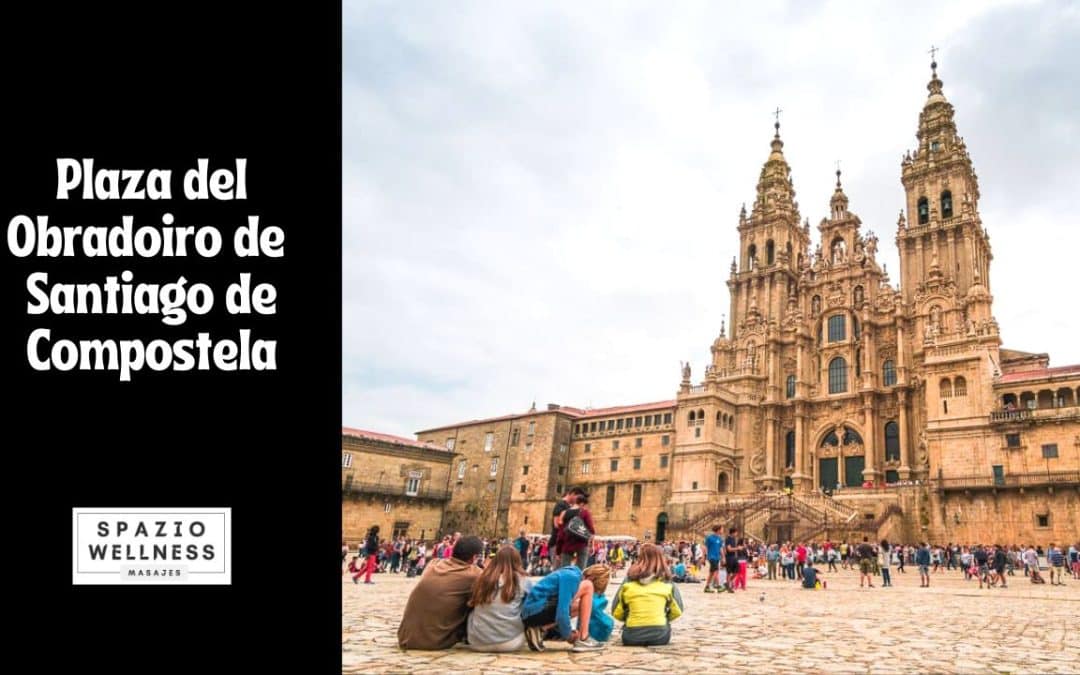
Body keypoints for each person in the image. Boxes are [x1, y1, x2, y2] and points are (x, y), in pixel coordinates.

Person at [397, 535, 484, 650]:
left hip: (405, 637)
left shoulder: (433, 564)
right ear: (474, 557)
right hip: (434, 640)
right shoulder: (474, 574)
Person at [520, 550, 599, 652]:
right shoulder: (572, 577)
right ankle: (584, 638)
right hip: (533, 612)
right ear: (592, 578)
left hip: (532, 612)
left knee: (578, 606)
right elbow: (562, 612)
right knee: (587, 586)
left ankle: (540, 630)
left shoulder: (570, 574)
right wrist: (569, 635)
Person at [612, 544, 684, 646]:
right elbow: (678, 610)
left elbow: (616, 611)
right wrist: (664, 617)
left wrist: (630, 618)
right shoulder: (667, 581)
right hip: (660, 636)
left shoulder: (628, 580)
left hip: (632, 636)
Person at [467, 545, 533, 652]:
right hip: (511, 642)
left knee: (472, 613)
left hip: (478, 642)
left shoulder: (482, 578)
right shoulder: (523, 580)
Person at [556, 492, 595, 571]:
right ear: (582, 504)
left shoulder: (564, 513)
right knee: (580, 570)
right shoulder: (585, 512)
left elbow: (560, 533)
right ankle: (578, 582)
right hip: (582, 544)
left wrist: (558, 550)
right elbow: (591, 530)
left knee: (564, 570)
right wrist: (592, 545)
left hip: (567, 545)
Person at [549, 487, 584, 566]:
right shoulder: (561, 505)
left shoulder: (569, 507)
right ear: (572, 494)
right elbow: (556, 524)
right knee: (558, 570)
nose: (578, 500)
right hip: (557, 542)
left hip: (564, 544)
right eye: (577, 497)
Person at [704, 525, 723, 592]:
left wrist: (723, 557)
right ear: (718, 530)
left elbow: (720, 548)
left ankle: (707, 587)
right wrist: (705, 555)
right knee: (716, 571)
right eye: (721, 529)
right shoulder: (709, 538)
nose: (722, 530)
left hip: (717, 557)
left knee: (711, 573)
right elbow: (706, 547)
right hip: (711, 557)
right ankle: (717, 586)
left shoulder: (720, 539)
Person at [723, 527, 740, 593]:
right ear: (733, 532)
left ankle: (727, 583)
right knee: (729, 572)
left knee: (736, 571)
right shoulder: (728, 539)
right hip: (729, 557)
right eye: (736, 532)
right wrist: (737, 548)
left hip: (734, 557)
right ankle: (729, 587)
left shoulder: (734, 539)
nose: (737, 534)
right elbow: (729, 549)